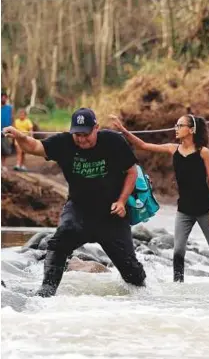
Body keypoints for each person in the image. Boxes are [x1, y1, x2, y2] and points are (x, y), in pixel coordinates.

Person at [3, 108, 147, 297]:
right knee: (60, 239)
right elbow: (34, 147)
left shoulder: (113, 141)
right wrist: (20, 136)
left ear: (96, 128)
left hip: (111, 213)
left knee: (131, 272)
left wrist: (121, 201)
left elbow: (132, 172)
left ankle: (145, 294)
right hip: (79, 208)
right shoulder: (64, 142)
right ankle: (46, 292)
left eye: (85, 134)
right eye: (77, 134)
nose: (81, 139)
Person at [112, 114, 209, 286]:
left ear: (191, 129)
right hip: (183, 210)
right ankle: (179, 288)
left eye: (180, 125)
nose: (176, 128)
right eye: (176, 125)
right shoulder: (173, 149)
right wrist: (123, 130)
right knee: (178, 251)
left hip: (205, 209)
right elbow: (143, 145)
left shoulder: (203, 152)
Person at [1, 91, 13, 170]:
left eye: (5, 97)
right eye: (2, 96)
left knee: (5, 149)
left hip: (6, 131)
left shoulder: (9, 108)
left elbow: (12, 118)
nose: (3, 98)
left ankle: (3, 165)